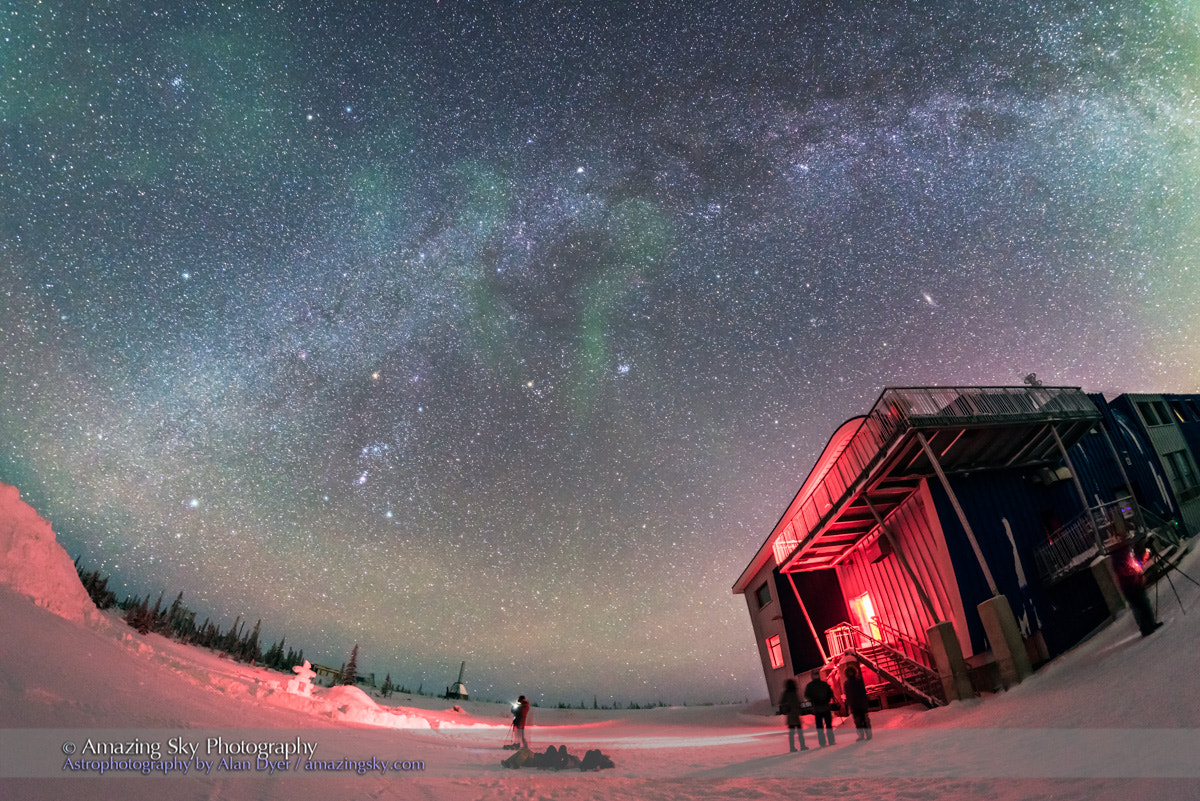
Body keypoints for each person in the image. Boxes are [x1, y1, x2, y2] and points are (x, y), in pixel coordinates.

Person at [1112, 540, 1162, 636]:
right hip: (1131, 587)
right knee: (1140, 607)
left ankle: (1151, 624)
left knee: (1145, 604)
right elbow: (1125, 572)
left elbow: (1138, 563)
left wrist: (1146, 553)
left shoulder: (1128, 556)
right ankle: (1145, 628)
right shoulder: (1119, 560)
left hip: (1137, 584)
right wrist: (1137, 575)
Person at [804, 669, 836, 746]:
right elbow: (830, 693)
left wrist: (813, 700)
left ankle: (822, 742)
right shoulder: (824, 684)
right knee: (828, 725)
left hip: (817, 709)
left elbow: (807, 695)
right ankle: (831, 740)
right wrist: (827, 699)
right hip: (826, 707)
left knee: (820, 727)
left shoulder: (810, 686)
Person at [778, 678, 809, 753]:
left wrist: (787, 708)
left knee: (792, 733)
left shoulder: (787, 693)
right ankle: (801, 746)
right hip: (794, 715)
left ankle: (793, 747)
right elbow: (795, 702)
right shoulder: (793, 692)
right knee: (798, 732)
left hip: (792, 715)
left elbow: (782, 703)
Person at [842, 663, 872, 741]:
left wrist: (849, 704)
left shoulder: (850, 683)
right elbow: (849, 695)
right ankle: (864, 735)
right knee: (860, 721)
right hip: (857, 705)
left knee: (861, 721)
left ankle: (865, 735)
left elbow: (862, 692)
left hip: (858, 704)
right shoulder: (852, 682)